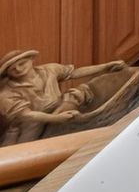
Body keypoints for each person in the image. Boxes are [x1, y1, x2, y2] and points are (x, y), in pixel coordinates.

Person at [0, 50, 128, 145]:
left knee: (75, 95)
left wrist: (105, 67)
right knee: (28, 146)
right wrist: (56, 118)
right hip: (30, 124)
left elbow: (74, 73)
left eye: (22, 63)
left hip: (56, 110)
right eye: (12, 69)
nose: (18, 69)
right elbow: (27, 115)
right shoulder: (7, 93)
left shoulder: (50, 70)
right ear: (7, 73)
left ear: (31, 59)